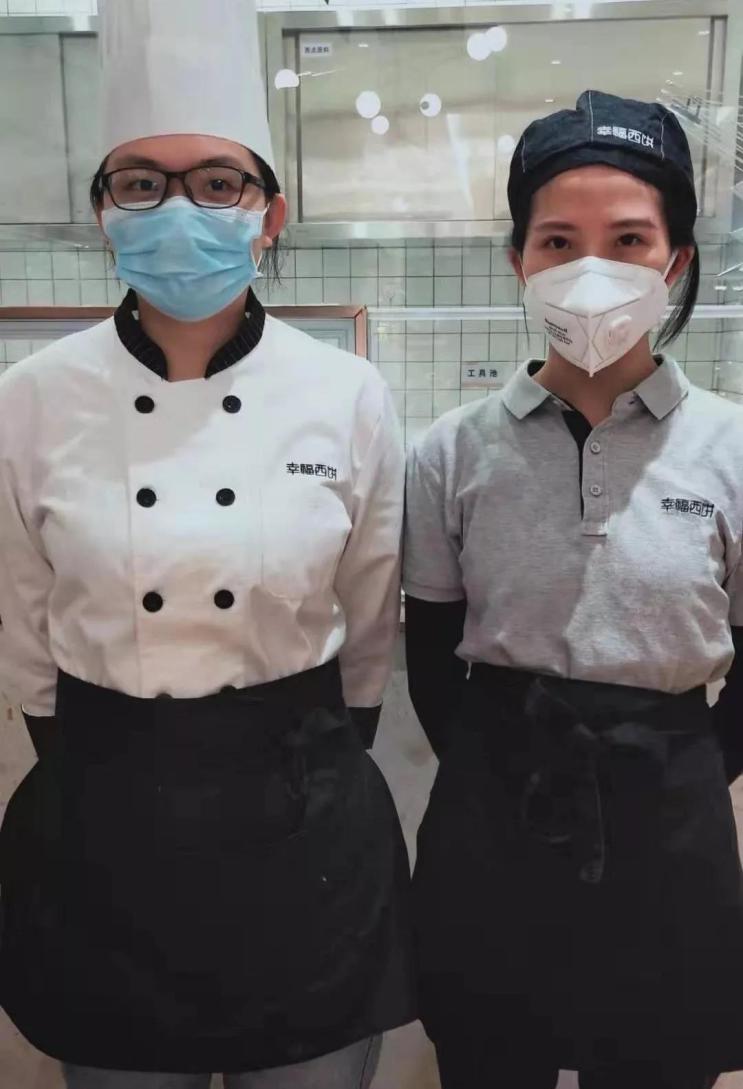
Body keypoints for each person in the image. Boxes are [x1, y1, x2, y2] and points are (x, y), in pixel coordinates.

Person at [0, 1, 415, 1086]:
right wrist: (97, 762)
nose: (179, 207)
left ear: (268, 214)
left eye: (217, 181)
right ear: (104, 211)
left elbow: (369, 615)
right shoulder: (30, 398)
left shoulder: (346, 393)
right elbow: (23, 620)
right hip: (104, 820)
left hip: (302, 816)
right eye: (143, 182)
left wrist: (313, 751)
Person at [404, 90, 743, 1089]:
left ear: (674, 261)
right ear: (518, 259)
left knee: (657, 1063)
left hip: (669, 815)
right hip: (493, 806)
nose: (591, 268)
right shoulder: (450, 451)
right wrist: (498, 758)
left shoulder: (730, 446)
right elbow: (431, 654)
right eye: (557, 240)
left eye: (628, 239)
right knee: (488, 1059)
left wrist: (678, 763)